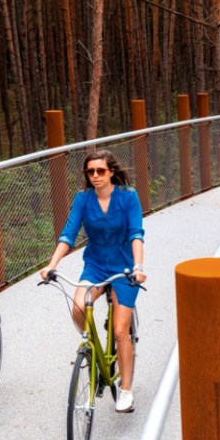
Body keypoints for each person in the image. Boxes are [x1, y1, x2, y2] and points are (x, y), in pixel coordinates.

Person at [39, 150, 146, 413]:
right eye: (90, 172)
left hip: (124, 268)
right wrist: (52, 265)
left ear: (111, 172)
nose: (95, 176)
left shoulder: (128, 197)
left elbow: (136, 233)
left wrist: (138, 266)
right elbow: (69, 234)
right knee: (78, 307)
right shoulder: (83, 199)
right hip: (96, 266)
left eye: (100, 171)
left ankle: (126, 389)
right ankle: (93, 348)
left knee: (121, 331)